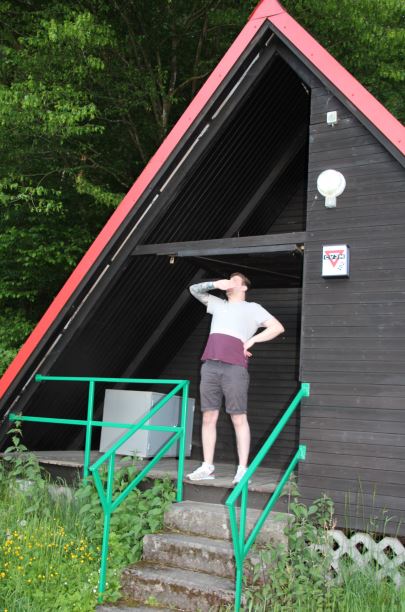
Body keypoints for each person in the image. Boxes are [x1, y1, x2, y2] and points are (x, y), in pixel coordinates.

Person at [186, 272, 285, 484]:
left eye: (235, 280)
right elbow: (194, 290)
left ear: (244, 287)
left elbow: (277, 327)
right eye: (228, 280)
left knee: (238, 417)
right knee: (208, 417)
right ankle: (207, 467)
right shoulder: (218, 304)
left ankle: (242, 470)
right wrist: (215, 284)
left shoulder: (253, 308)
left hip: (235, 367)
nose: (230, 283)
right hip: (210, 365)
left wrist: (252, 341)